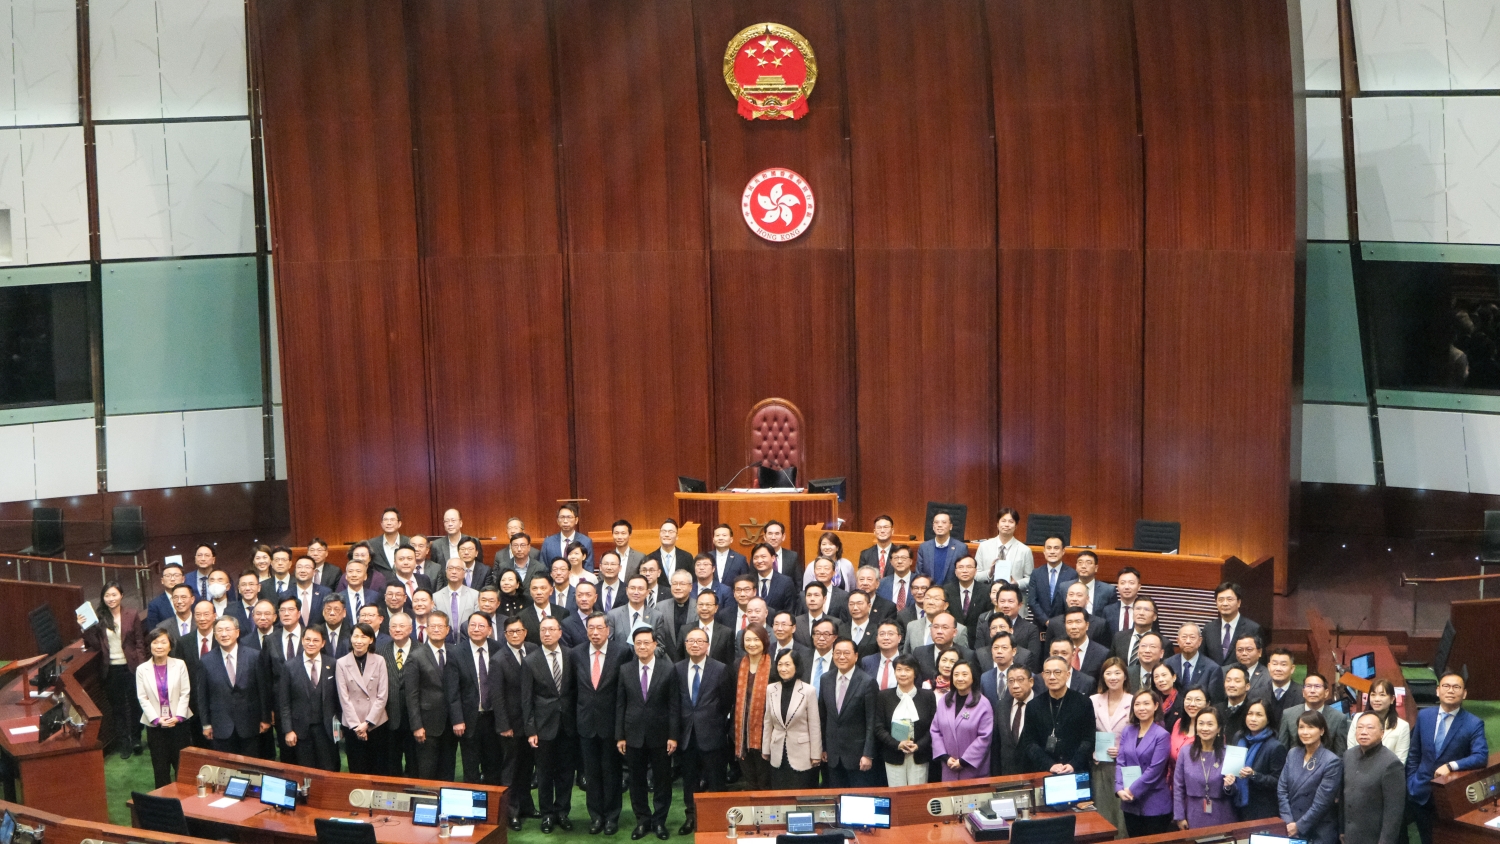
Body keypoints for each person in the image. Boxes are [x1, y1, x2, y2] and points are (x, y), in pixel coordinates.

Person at [1406, 671, 1489, 844]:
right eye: (1446, 686)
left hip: (1449, 796)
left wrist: (1452, 765)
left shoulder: (1473, 723)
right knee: (1426, 839)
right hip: (1420, 791)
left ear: (1464, 693)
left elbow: (1481, 756)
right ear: (1438, 691)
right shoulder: (1424, 716)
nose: (1450, 690)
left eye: (1456, 687)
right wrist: (1412, 782)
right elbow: (1414, 753)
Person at [616, 627, 679, 842]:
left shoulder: (668, 669)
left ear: (655, 645)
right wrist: (620, 735)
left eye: (646, 642)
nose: (642, 646)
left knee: (662, 781)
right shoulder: (625, 669)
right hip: (632, 734)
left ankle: (659, 821)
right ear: (634, 646)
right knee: (636, 781)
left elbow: (674, 705)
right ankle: (642, 820)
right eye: (638, 643)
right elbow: (620, 705)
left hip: (661, 736)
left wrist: (673, 735)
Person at [574, 612, 628, 836]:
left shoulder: (622, 652)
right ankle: (595, 816)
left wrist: (621, 729)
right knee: (591, 773)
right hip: (586, 723)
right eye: (591, 628)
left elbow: (625, 692)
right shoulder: (576, 653)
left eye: (599, 628)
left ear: (608, 630)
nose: (595, 633)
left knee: (611, 772)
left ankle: (612, 816)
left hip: (611, 724)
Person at [522, 616, 575, 833]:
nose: (547, 633)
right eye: (543, 630)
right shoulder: (530, 660)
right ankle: (547, 815)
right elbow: (526, 699)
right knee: (544, 774)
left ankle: (562, 811)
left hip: (569, 724)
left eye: (551, 629)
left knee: (566, 772)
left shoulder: (572, 656)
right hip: (543, 726)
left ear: (560, 632)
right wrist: (530, 729)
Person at [82, 581, 145, 758]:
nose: (111, 599)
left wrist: (142, 667)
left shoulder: (131, 614)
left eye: (114, 595)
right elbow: (94, 644)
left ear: (121, 595)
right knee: (117, 708)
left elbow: (139, 642)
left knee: (135, 705)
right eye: (107, 596)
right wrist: (85, 627)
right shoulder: (100, 618)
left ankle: (136, 738)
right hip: (111, 669)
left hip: (131, 667)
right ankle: (124, 743)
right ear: (103, 598)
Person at [675, 627, 729, 835]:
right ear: (685, 644)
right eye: (691, 641)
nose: (695, 644)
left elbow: (725, 702)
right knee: (689, 780)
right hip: (686, 735)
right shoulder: (677, 668)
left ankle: (718, 819)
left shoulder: (720, 668)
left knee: (716, 779)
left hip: (712, 733)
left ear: (707, 645)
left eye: (700, 641)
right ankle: (692, 817)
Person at [199, 616, 269, 755]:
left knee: (250, 768)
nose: (224, 634)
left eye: (227, 629)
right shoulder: (206, 660)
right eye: (219, 630)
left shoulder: (253, 656)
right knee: (225, 769)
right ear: (215, 635)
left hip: (249, 723)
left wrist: (265, 718)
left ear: (237, 632)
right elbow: (203, 695)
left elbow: (262, 689)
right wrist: (206, 724)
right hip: (221, 725)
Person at [452, 613, 505, 789]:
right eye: (472, 625)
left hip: (494, 718)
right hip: (469, 719)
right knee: (471, 768)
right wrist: (458, 719)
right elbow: (453, 690)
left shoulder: (499, 649)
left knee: (494, 766)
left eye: (481, 626)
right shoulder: (457, 652)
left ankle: (493, 811)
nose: (476, 629)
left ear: (490, 630)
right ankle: (472, 813)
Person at [136, 628, 192, 787]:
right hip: (155, 727)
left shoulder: (180, 664)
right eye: (155, 642)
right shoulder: (142, 669)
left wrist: (178, 717)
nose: (159, 646)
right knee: (160, 769)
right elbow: (143, 697)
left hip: (178, 724)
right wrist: (157, 719)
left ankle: (185, 803)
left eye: (163, 642)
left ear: (170, 646)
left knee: (181, 766)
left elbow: (185, 692)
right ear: (149, 645)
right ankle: (163, 804)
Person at [820, 637, 879, 786]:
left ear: (856, 655)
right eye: (837, 653)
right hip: (833, 755)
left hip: (858, 756)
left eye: (846, 653)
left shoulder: (867, 682)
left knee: (858, 800)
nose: (841, 657)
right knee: (836, 799)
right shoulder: (825, 679)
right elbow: (823, 716)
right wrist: (824, 748)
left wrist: (868, 754)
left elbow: (871, 722)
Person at [278, 626, 339, 771]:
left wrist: (339, 726)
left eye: (316, 640)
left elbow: (339, 698)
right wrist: (288, 730)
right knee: (305, 771)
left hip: (326, 730)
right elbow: (284, 702)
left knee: (328, 770)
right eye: (308, 640)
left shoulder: (333, 664)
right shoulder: (289, 666)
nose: (311, 643)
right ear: (302, 641)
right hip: (300, 731)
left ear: (323, 643)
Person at [1277, 710, 1342, 844]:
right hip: (1290, 825)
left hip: (1318, 830)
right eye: (1301, 727)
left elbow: (1321, 803)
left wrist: (1298, 826)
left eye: (1310, 727)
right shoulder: (1293, 753)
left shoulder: (1331, 761)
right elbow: (1282, 789)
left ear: (1322, 731)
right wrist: (1288, 821)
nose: (1305, 732)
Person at [1116, 688, 1174, 835]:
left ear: (1155, 706)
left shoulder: (1162, 735)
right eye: (1137, 704)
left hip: (1154, 802)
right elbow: (1120, 762)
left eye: (1146, 703)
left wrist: (1132, 790)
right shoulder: (1128, 731)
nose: (1141, 708)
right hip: (1129, 802)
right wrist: (1119, 788)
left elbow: (1154, 770)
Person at [1344, 711, 1407, 844]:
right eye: (1360, 727)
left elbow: (1394, 813)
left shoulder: (1391, 764)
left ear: (1382, 733)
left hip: (1373, 837)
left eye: (1370, 728)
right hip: (1349, 835)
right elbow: (1343, 795)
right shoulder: (1348, 756)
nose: (1363, 732)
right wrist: (1341, 830)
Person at [1024, 656, 1093, 774]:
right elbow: (1030, 742)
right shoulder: (1033, 705)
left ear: (1067, 675)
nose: (1052, 677)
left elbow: (1088, 739)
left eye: (1057, 672)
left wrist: (1073, 764)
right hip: (1045, 770)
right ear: (1042, 675)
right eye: (1047, 672)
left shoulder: (1083, 702)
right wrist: (1049, 764)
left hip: (1077, 770)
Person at [762, 650, 820, 790]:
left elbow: (814, 725)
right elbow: (768, 721)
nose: (783, 668)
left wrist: (816, 754)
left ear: (796, 666)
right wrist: (765, 749)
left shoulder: (808, 690)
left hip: (802, 754)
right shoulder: (771, 689)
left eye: (787, 664)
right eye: (780, 664)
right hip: (777, 753)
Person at [335, 622, 388, 774]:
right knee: (357, 767)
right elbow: (344, 698)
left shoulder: (379, 661)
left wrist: (368, 723)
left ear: (371, 640)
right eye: (355, 636)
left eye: (363, 637)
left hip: (376, 724)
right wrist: (358, 726)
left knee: (378, 768)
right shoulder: (341, 663)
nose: (359, 640)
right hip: (353, 725)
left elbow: (382, 695)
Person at [874, 654, 934, 785]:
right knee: (897, 797)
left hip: (919, 754)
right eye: (899, 669)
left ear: (915, 672)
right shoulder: (884, 696)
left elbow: (933, 727)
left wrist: (919, 745)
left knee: (917, 796)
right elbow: (878, 727)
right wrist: (897, 744)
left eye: (907, 669)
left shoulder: (927, 696)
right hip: (893, 754)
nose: (903, 674)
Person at [1173, 705, 1234, 829]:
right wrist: (1180, 816)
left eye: (1210, 724)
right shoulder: (1185, 752)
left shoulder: (1229, 753)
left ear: (1219, 729)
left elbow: (1237, 791)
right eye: (1201, 724)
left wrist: (1229, 786)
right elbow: (1178, 786)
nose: (1204, 728)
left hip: (1222, 812)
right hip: (1193, 812)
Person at [929, 660, 991, 780]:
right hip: (949, 767)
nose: (960, 678)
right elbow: (935, 730)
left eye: (964, 674)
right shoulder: (944, 701)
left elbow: (984, 737)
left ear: (973, 677)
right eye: (956, 675)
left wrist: (963, 761)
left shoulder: (983, 704)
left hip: (973, 769)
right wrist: (945, 757)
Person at [1091, 657, 1131, 832]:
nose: (1113, 677)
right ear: (1103, 677)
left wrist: (1122, 751)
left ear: (1125, 676)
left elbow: (1141, 736)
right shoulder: (1093, 700)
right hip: (1099, 765)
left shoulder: (1135, 701)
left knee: (1121, 815)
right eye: (1108, 673)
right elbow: (1085, 732)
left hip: (1125, 766)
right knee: (1102, 812)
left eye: (1117, 673)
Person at [733, 624, 774, 790]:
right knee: (749, 779)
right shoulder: (737, 664)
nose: (752, 643)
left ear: (764, 641)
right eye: (747, 639)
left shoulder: (774, 665)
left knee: (765, 778)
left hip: (766, 730)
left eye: (756, 639)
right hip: (741, 731)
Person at [1231, 698, 1286, 820]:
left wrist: (1254, 775)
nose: (1253, 719)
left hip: (1261, 810)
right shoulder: (1238, 738)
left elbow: (1278, 782)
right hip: (1236, 806)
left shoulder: (1275, 747)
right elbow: (1232, 768)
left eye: (1259, 715)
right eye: (1250, 714)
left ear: (1268, 719)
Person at [1277, 671, 1348, 754]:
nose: (1312, 691)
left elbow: (1340, 754)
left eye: (1317, 686)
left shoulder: (1338, 718)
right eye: (1308, 686)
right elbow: (1282, 750)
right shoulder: (1288, 714)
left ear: (1326, 693)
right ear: (1303, 692)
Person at [1348, 678, 1409, 762]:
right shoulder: (1357, 718)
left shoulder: (1402, 726)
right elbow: (1351, 751)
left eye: (1382, 695)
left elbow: (1400, 761)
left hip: (1387, 773)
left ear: (1392, 699)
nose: (1376, 699)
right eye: (1373, 695)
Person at [1203, 582, 1262, 666]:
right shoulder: (1208, 629)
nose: (1225, 603)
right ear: (1216, 603)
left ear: (1239, 602)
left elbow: (1260, 662)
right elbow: (1203, 659)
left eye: (1229, 599)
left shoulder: (1253, 629)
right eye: (1221, 600)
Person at [974, 507, 1033, 588]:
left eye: (1011, 522)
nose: (1006, 525)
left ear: (1016, 526)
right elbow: (975, 575)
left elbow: (1030, 578)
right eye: (1003, 521)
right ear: (997, 524)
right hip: (988, 595)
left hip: (1013, 595)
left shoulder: (1025, 550)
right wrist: (989, 573)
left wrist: (1016, 584)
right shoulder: (984, 546)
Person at [1165, 623, 1224, 704]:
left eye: (1192, 637)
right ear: (1178, 641)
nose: (1188, 641)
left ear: (1200, 641)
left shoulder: (1212, 669)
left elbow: (1216, 702)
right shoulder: (1167, 664)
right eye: (1184, 637)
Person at [992, 665, 1034, 776]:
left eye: (1020, 680)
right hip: (1007, 774)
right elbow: (996, 745)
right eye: (1011, 681)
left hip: (1034, 773)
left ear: (1031, 682)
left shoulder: (1041, 705)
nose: (1015, 685)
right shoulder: (1001, 706)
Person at [1025, 536, 1076, 625]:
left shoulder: (1072, 574)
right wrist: (1046, 621)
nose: (1052, 551)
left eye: (1056, 548)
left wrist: (1058, 622)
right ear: (1044, 551)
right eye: (1049, 548)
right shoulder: (1036, 573)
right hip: (1040, 625)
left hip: (1063, 625)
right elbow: (1032, 601)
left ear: (1063, 551)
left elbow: (1072, 602)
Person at [917, 511, 965, 585]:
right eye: (936, 522)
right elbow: (919, 573)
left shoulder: (961, 548)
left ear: (951, 526)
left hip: (952, 593)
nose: (939, 525)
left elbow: (963, 574)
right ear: (933, 526)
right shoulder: (924, 547)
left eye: (944, 522)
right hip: (929, 592)